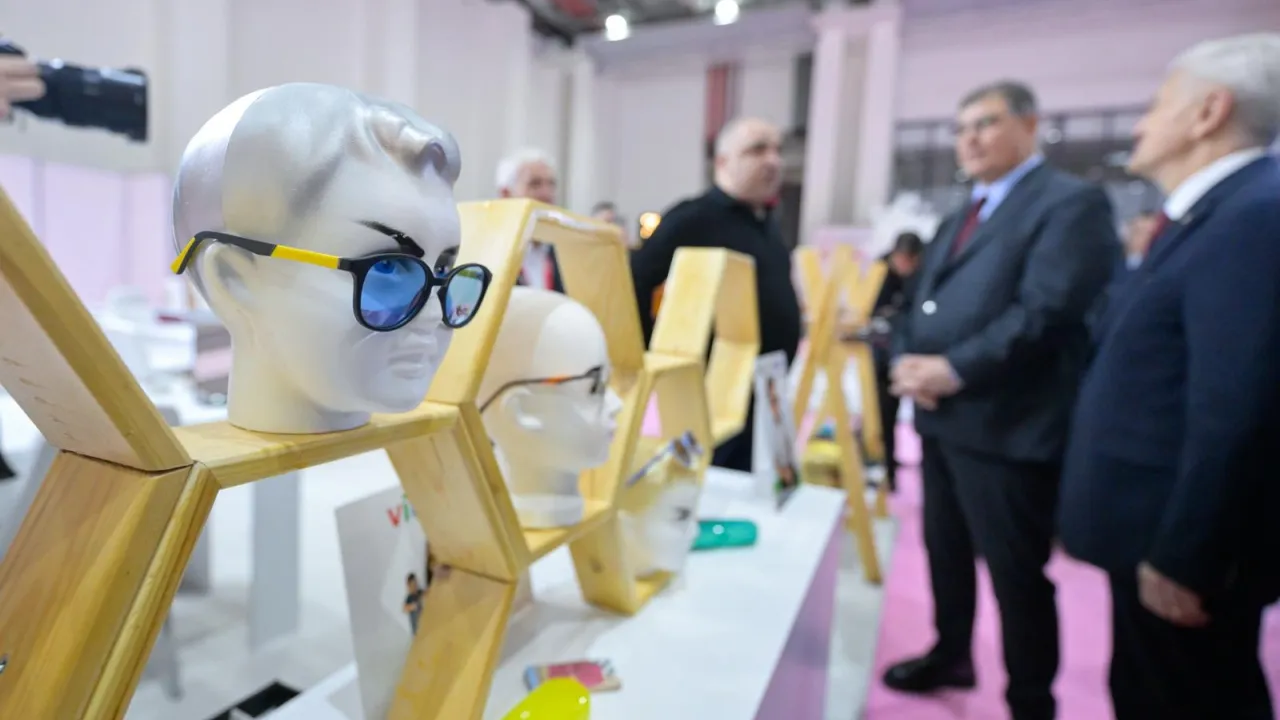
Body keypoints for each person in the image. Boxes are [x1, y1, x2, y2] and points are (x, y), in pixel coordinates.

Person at [1059, 33, 1280, 720]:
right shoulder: (1210, 215)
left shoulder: (1254, 217)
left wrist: (1189, 553)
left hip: (1176, 548)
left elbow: (1238, 405)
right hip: (1148, 530)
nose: (1139, 126)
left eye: (1157, 105)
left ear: (1208, 111)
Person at [883, 80, 1119, 720]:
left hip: (1007, 424)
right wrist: (907, 359)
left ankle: (1030, 701)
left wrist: (955, 369)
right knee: (945, 551)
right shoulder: (962, 212)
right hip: (940, 418)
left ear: (1029, 124)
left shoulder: (1069, 204)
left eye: (986, 123)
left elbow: (1048, 311)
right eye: (962, 129)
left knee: (1016, 576)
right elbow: (917, 301)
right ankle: (950, 652)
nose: (971, 139)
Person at [631, 117, 802, 473]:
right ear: (723, 161)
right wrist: (656, 359)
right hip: (714, 395)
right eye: (757, 150)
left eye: (777, 150)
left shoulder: (767, 225)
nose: (773, 160)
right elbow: (637, 284)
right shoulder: (692, 219)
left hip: (765, 388)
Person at [869, 231, 925, 492]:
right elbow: (871, 311)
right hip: (882, 357)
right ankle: (887, 470)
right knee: (883, 415)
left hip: (917, 356)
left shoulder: (924, 276)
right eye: (900, 260)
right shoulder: (878, 274)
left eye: (909, 261)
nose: (904, 266)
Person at [496, 148, 564, 292]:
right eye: (535, 184)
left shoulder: (564, 254)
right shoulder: (491, 254)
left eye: (551, 184)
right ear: (506, 194)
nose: (547, 194)